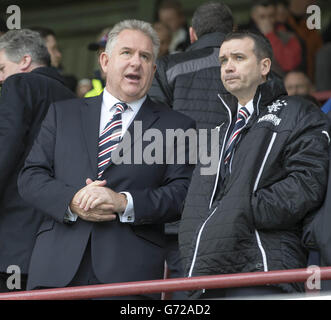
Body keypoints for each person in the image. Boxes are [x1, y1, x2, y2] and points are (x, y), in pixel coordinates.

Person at [18, 19, 195, 300]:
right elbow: (30, 178)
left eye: (145, 56)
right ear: (105, 61)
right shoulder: (62, 114)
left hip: (128, 277)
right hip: (54, 271)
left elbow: (183, 195)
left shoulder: (178, 125)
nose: (135, 63)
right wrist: (72, 201)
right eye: (126, 53)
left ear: (153, 69)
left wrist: (124, 202)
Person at [179, 30, 330, 299]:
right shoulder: (216, 133)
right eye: (223, 60)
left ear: (264, 66)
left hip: (263, 268)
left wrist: (240, 212)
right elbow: (198, 205)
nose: (228, 66)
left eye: (238, 57)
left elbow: (307, 184)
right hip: (206, 275)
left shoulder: (297, 111)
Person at [149, 1, 234, 299]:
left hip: (181, 208)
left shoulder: (169, 67)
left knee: (191, 292)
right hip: (241, 207)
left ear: (192, 33)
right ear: (233, 33)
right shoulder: (263, 70)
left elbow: (152, 132)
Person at [0, 29, 75, 292]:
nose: (0, 76)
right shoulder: (71, 97)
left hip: (12, 236)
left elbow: (5, 146)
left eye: (2, 67)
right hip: (53, 240)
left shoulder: (18, 84)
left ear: (24, 61)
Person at [240, 0, 302, 76]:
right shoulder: (241, 36)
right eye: (262, 17)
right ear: (254, 16)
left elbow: (289, 65)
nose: (267, 21)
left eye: (271, 16)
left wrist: (270, 35)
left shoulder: (289, 36)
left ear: (276, 16)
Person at [85, 27, 110, 98]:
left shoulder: (132, 95)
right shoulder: (89, 96)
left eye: (106, 55)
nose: (101, 61)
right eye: (99, 54)